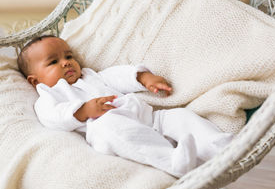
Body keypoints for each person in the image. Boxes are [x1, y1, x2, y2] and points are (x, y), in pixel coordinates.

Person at [17, 35, 233, 177]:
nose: (66, 62)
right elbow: (51, 116)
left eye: (68, 56)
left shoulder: (90, 75)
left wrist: (144, 78)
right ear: (35, 80)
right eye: (53, 62)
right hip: (110, 130)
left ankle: (218, 146)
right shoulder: (48, 95)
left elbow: (116, 76)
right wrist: (83, 111)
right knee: (108, 127)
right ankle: (171, 161)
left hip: (149, 119)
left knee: (179, 116)